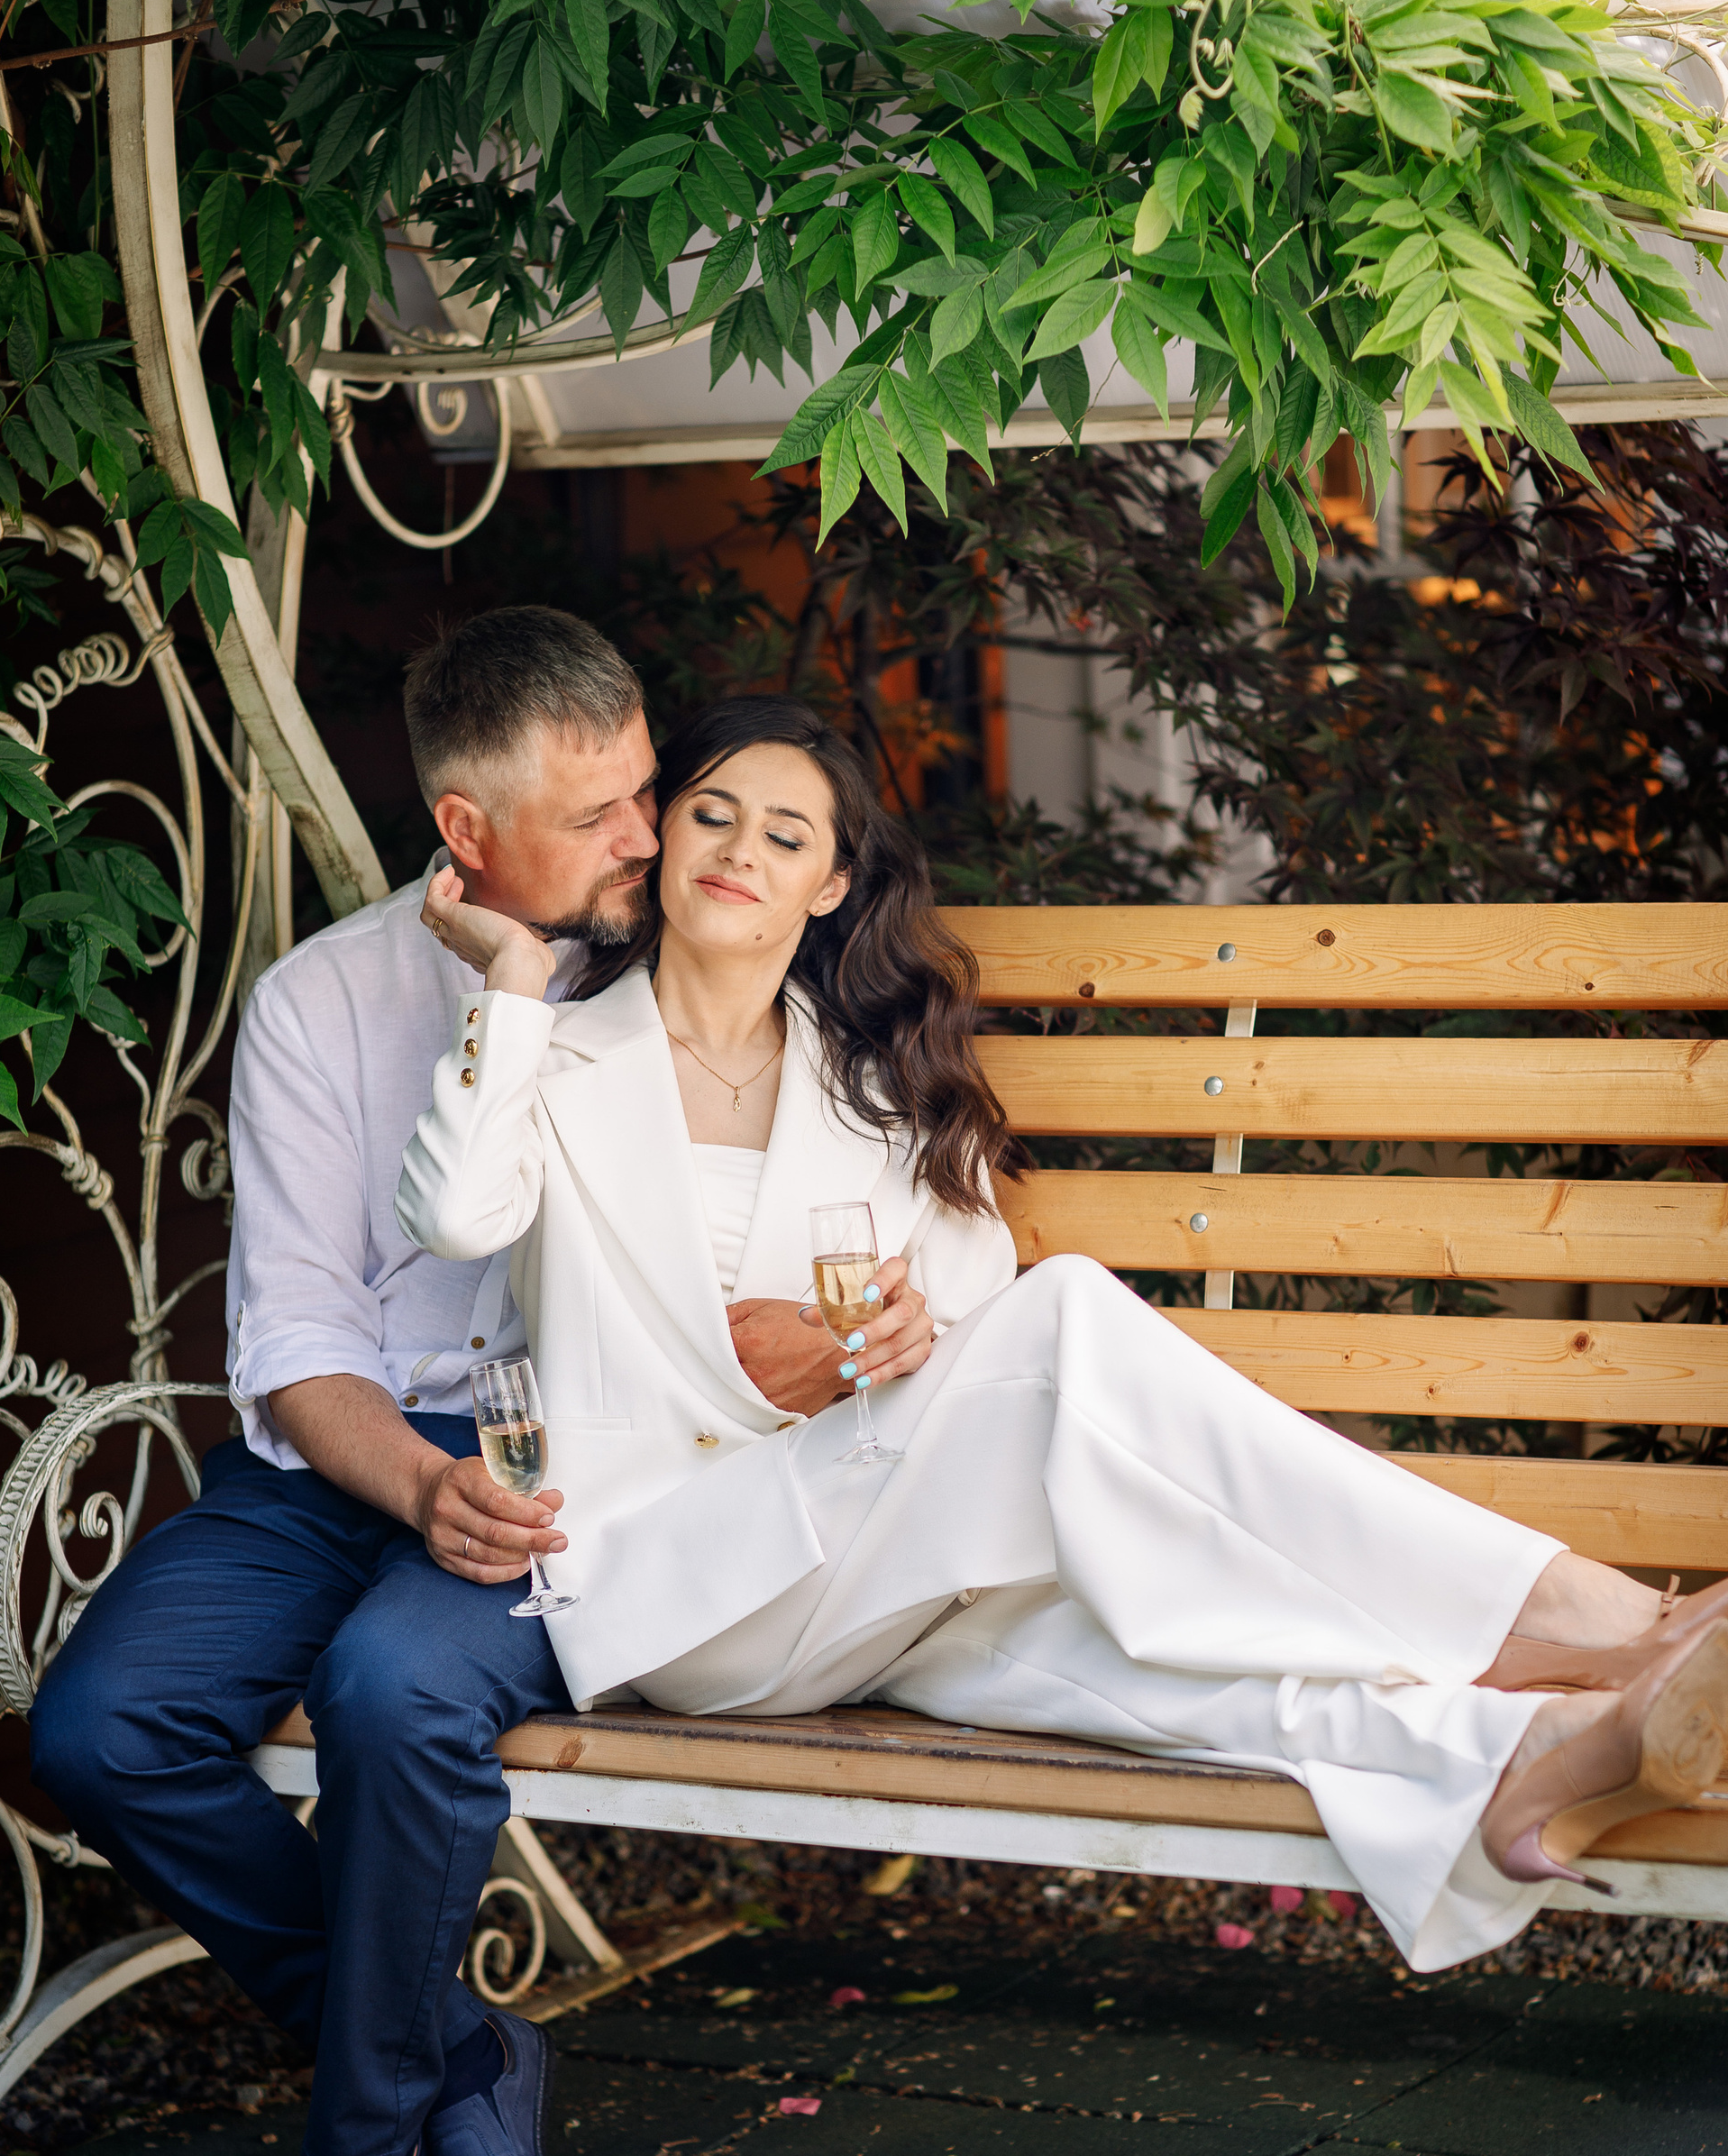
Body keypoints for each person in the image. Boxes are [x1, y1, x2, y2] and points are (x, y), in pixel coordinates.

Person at [399, 691, 1728, 1992]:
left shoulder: (870, 1085)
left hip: (885, 1568)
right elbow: (458, 1216)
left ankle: (1546, 1750)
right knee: (1070, 1310)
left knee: (1174, 1662)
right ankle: (1596, 1614)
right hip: (685, 1592)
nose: (743, 850)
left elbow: (970, 1315)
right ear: (661, 840)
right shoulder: (547, 1059)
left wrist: (905, 1335)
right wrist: (514, 978)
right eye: (714, 815)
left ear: (830, 886)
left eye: (787, 835)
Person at [27, 612, 833, 2156]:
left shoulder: (675, 980)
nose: (651, 837)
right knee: (101, 1727)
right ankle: (453, 2065)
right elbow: (297, 1336)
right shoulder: (325, 1002)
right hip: (349, 1457)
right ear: (467, 833)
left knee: (395, 1691)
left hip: (577, 1460)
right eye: (601, 814)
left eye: (648, 791)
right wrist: (411, 1484)